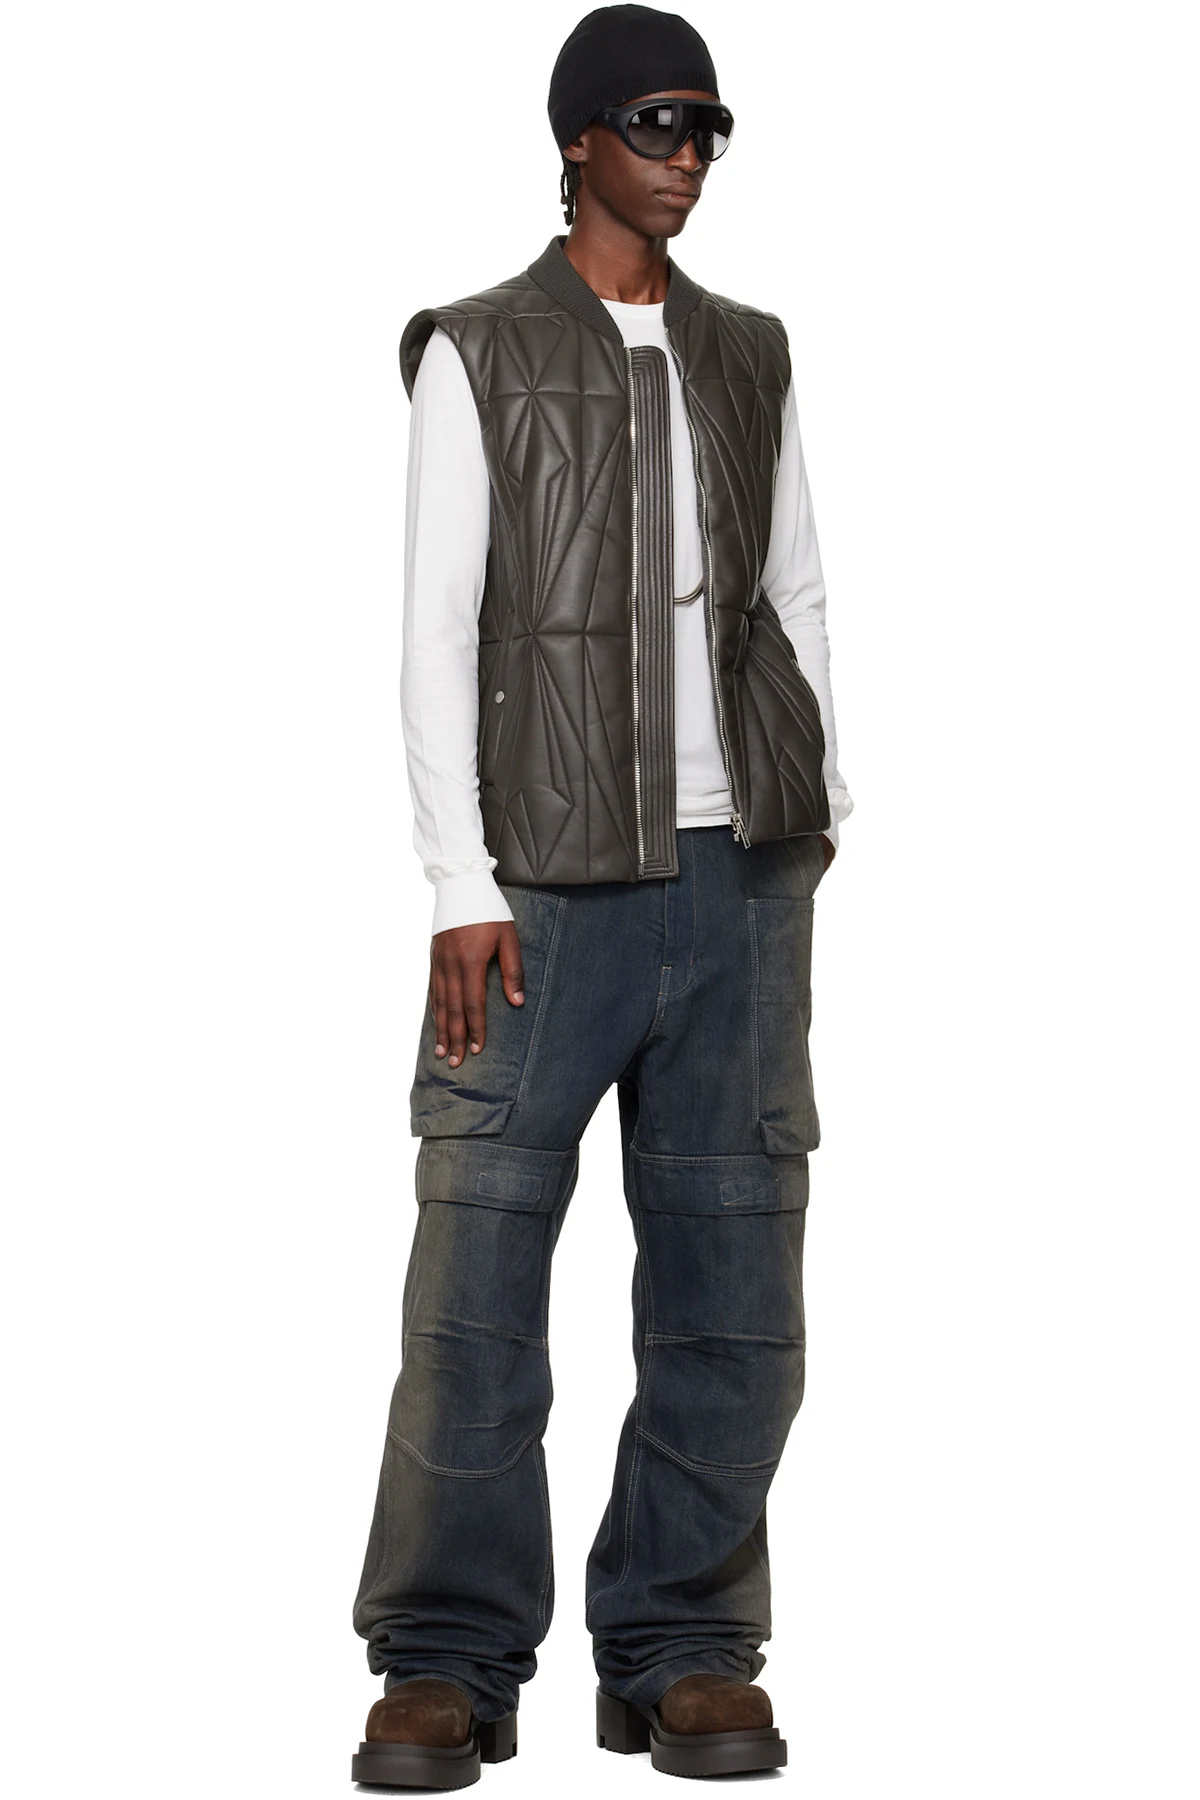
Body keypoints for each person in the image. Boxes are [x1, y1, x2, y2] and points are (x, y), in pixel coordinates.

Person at [350, 5, 854, 1786]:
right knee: (476, 1281)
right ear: (577, 139)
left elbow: (794, 593)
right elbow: (433, 628)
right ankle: (444, 1660)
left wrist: (814, 811)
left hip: (741, 881)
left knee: (734, 1278)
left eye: (711, 127)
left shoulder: (750, 350)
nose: (687, 154)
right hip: (543, 892)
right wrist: (456, 883)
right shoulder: (479, 350)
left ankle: (686, 1644)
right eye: (656, 121)